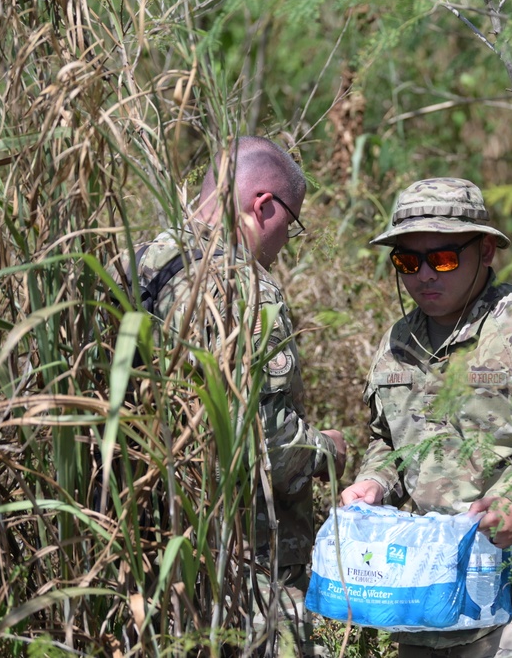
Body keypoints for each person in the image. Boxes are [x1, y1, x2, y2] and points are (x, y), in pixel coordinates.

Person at [339, 178, 512, 657]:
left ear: (486, 250)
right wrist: (374, 484)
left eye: (443, 258)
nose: (425, 275)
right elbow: (387, 442)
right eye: (408, 261)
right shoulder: (397, 344)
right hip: (429, 588)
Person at [116, 135, 346, 654]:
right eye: (293, 222)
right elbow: (269, 448)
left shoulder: (134, 263)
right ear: (264, 205)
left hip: (144, 553)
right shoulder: (245, 289)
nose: (287, 239)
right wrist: (330, 449)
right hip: (241, 568)